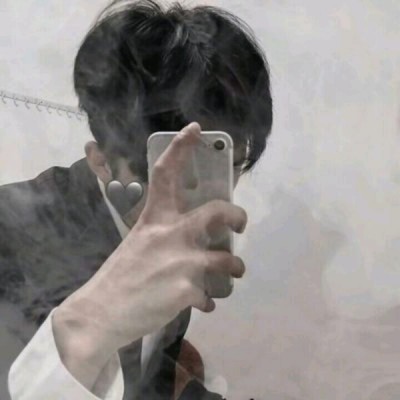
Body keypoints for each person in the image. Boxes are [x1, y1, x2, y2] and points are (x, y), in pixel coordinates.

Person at [0, 0, 273, 399]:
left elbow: (149, 374)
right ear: (100, 161)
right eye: (161, 169)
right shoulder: (9, 234)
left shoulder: (176, 249)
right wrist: (93, 319)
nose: (188, 199)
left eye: (220, 163)